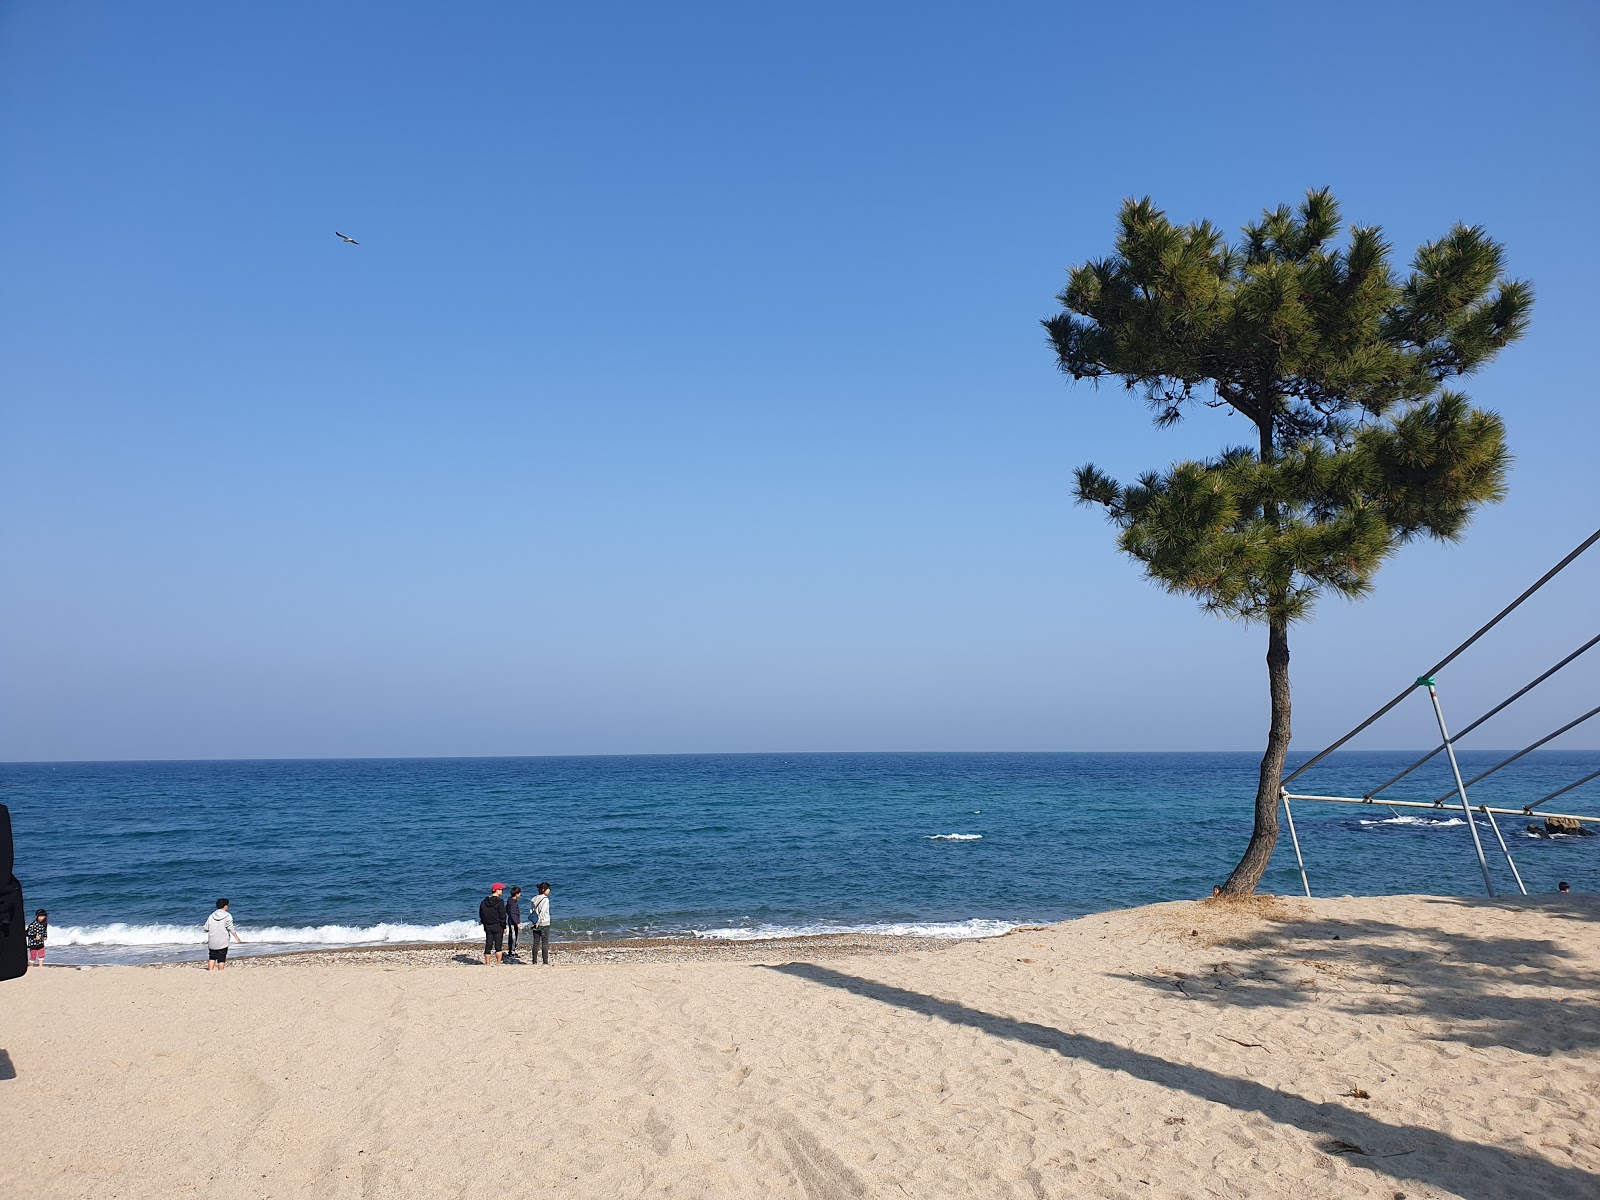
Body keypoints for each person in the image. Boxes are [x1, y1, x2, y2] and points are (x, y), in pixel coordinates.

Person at [205, 899, 243, 971]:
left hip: (212, 940)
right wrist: (237, 938)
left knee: (212, 957)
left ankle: (210, 972)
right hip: (223, 941)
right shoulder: (227, 915)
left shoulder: (211, 916)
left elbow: (206, 928)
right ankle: (220, 972)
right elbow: (230, 928)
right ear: (225, 906)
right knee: (221, 958)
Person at [479, 882, 507, 966]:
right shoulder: (500, 902)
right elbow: (502, 915)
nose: (502, 891)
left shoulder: (484, 901)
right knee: (498, 945)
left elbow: (481, 913)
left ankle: (487, 963)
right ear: (496, 890)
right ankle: (498, 963)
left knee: (489, 944)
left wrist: (484, 923)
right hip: (497, 925)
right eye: (501, 889)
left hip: (487, 925)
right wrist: (504, 926)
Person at [528, 881, 552, 965]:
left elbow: (531, 911)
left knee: (536, 942)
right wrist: (539, 921)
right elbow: (543, 912)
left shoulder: (534, 899)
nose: (549, 890)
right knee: (544, 942)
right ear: (543, 890)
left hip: (535, 922)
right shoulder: (545, 899)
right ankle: (545, 962)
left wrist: (535, 922)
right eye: (548, 889)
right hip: (544, 923)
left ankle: (534, 962)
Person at [504, 886, 522, 958]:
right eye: (519, 893)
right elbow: (513, 914)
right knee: (513, 937)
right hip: (513, 922)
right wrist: (517, 923)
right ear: (516, 894)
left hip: (511, 921)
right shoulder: (513, 903)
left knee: (512, 936)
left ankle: (511, 951)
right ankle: (512, 952)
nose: (520, 895)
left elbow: (508, 911)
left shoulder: (510, 901)